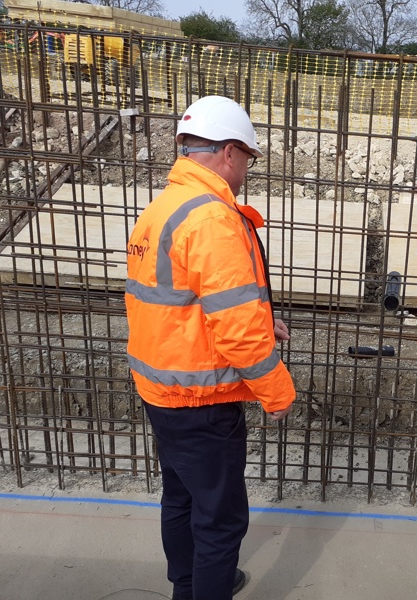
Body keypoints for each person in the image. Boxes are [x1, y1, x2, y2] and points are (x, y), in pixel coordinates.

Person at [125, 95, 296, 600]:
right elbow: (238, 330)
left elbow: (184, 301)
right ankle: (204, 589)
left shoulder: (164, 208)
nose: (246, 168)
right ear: (227, 152)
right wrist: (276, 392)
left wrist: (263, 318)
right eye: (247, 157)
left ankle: (188, 583)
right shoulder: (213, 219)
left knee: (180, 498)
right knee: (220, 520)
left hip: (162, 390)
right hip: (203, 401)